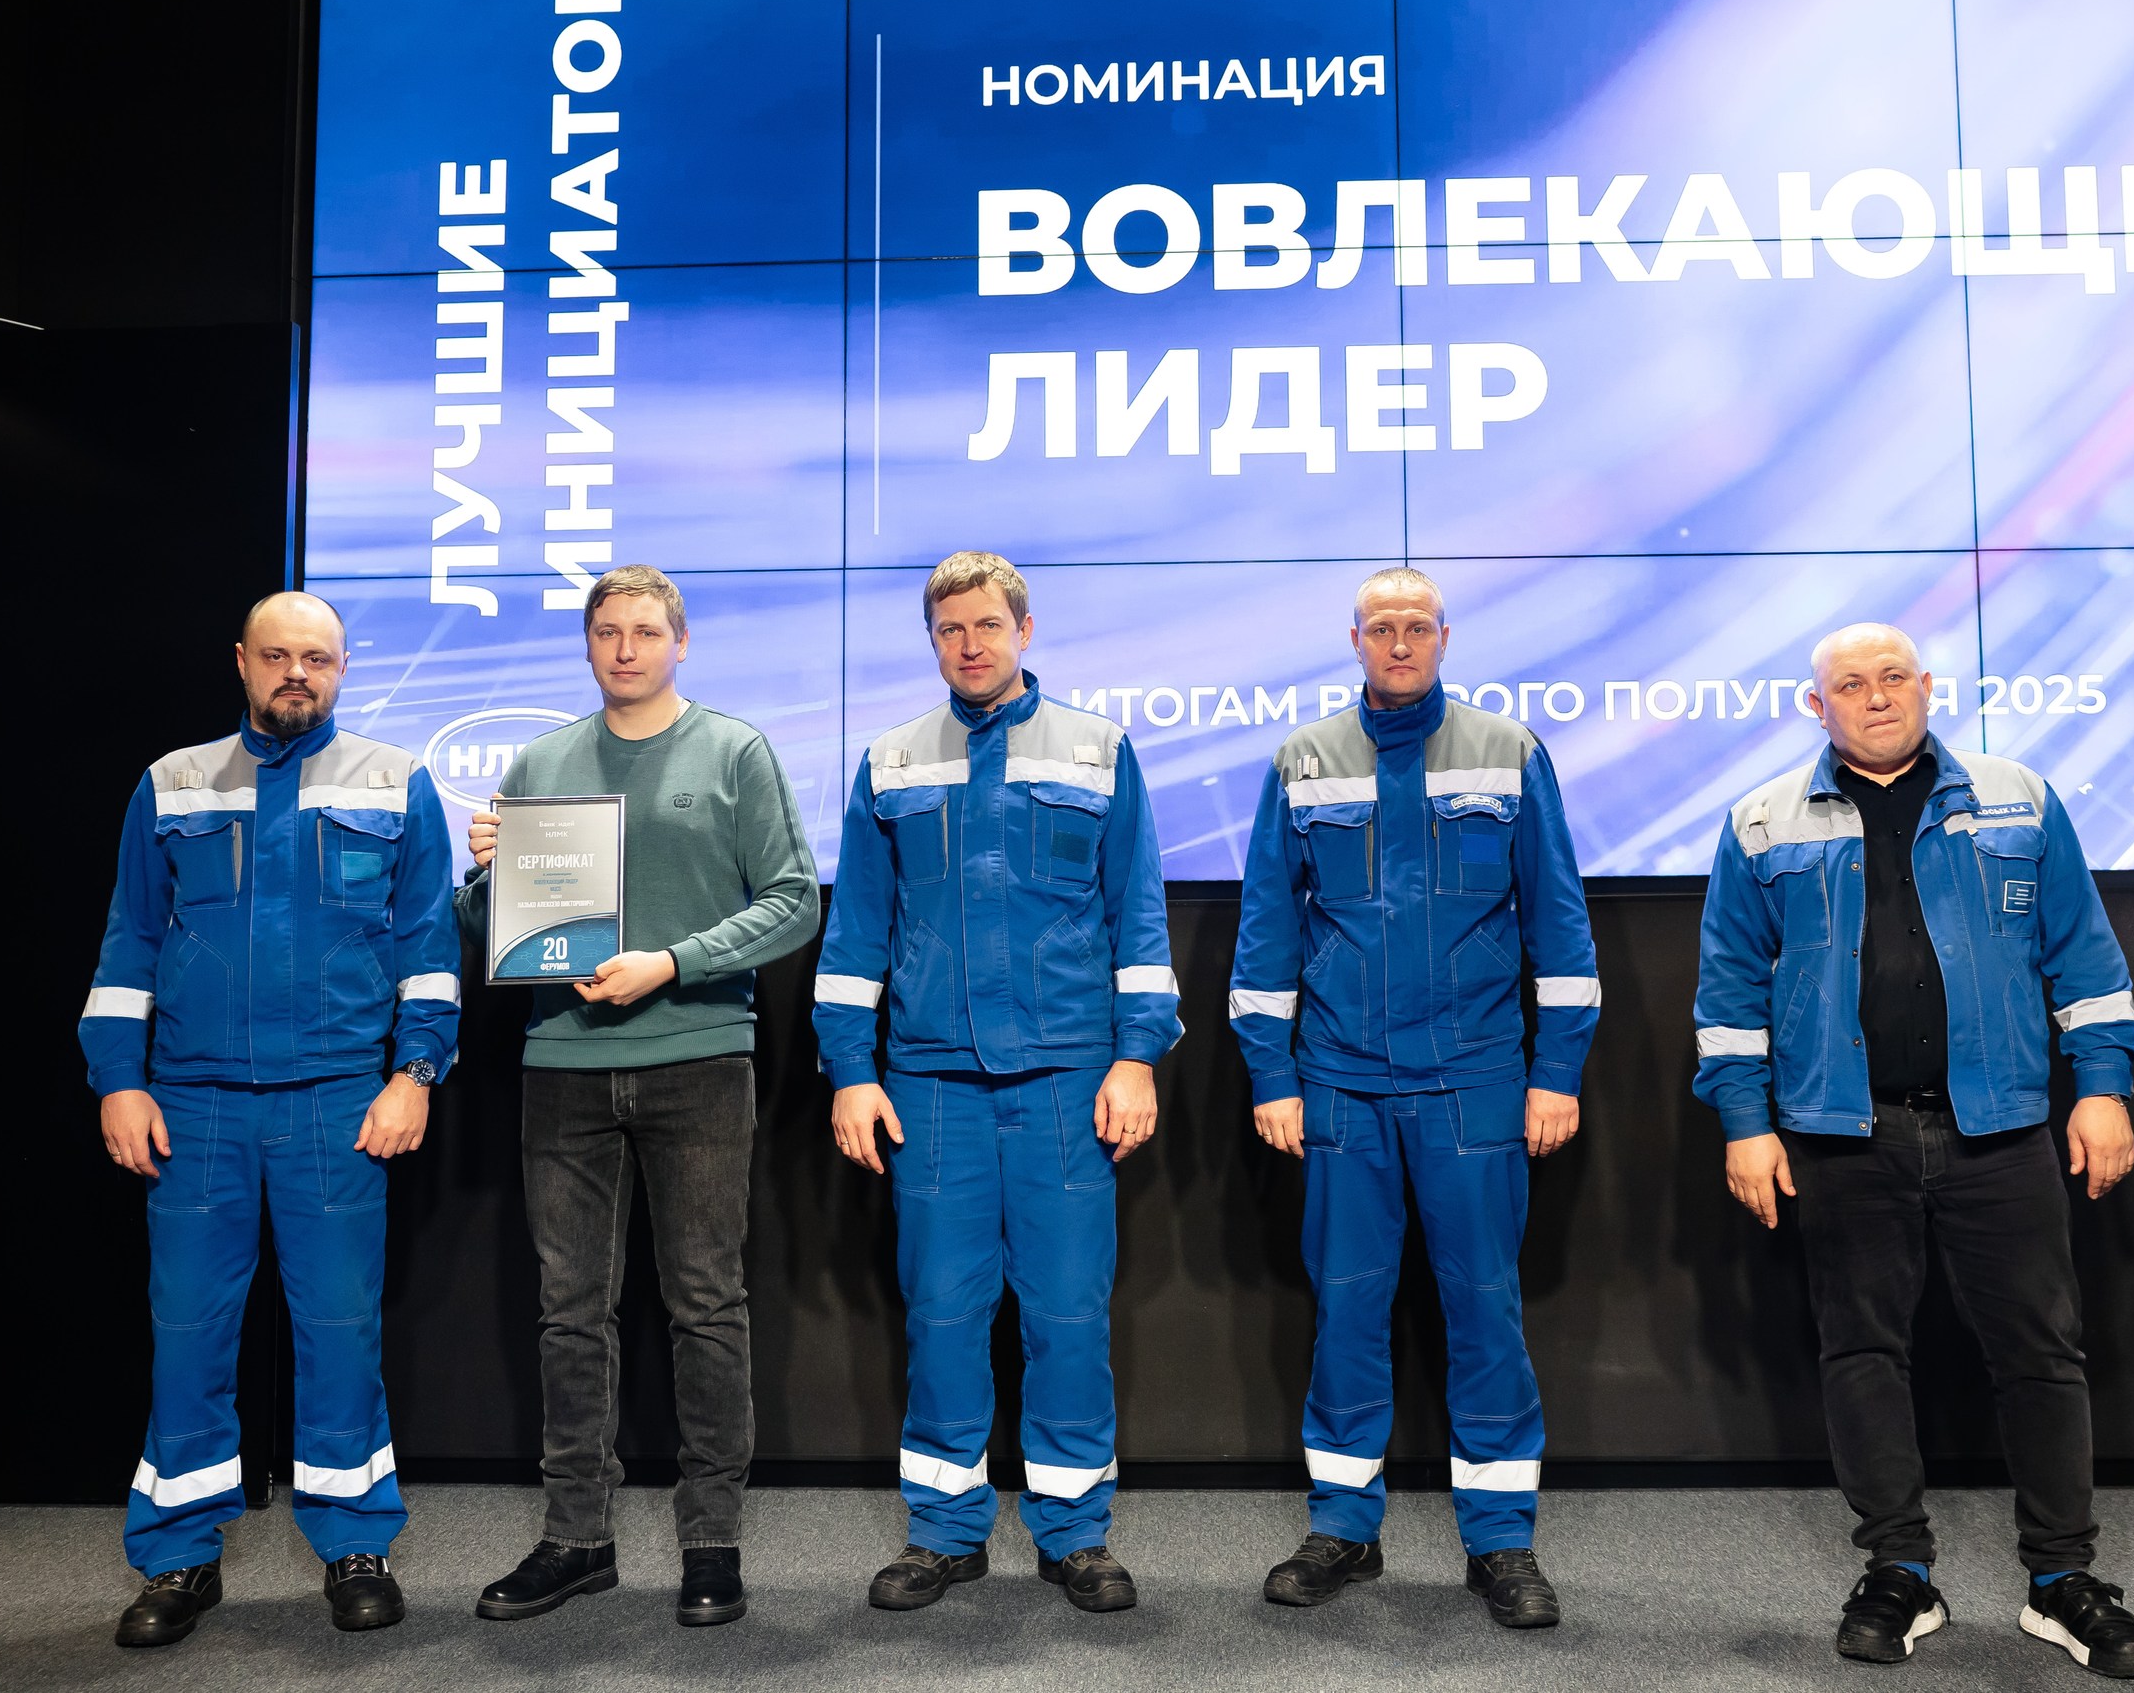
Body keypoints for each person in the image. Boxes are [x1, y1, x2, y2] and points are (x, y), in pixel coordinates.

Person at [1693, 623, 2134, 1678]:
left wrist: (2101, 1088)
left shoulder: (2018, 799)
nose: (1876, 696)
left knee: (2040, 1353)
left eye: (1893, 677)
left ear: (1927, 686)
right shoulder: (1761, 822)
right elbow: (1729, 992)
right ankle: (1899, 1570)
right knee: (1862, 1353)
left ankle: (2060, 1579)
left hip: (1999, 1127)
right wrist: (1744, 1121)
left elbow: (2085, 958)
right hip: (1841, 1131)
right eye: (1851, 684)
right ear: (1816, 706)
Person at [81, 592, 459, 1645]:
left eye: (318, 658)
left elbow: (428, 945)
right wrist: (117, 1080)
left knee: (340, 1331)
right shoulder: (172, 781)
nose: (299, 672)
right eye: (279, 655)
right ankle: (178, 1557)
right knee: (188, 1334)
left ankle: (355, 1543)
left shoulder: (396, 781)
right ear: (242, 661)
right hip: (192, 1104)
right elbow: (129, 940)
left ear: (343, 669)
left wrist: (415, 1073)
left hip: (339, 1102)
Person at [1227, 567, 1598, 1629]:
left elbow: (1559, 925)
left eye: (1417, 627)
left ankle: (1501, 1542)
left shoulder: (1508, 750)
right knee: (1347, 1311)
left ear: (1444, 636)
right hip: (1340, 1084)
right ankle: (1344, 1528)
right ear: (1354, 638)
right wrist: (1272, 1076)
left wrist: (1556, 1072)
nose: (1400, 643)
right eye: (1382, 627)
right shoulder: (1304, 758)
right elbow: (1267, 928)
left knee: (1485, 1311)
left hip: (1475, 1083)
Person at [813, 551, 1181, 1615]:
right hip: (930, 1085)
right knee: (942, 1312)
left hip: (1068, 1079)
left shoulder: (1098, 750)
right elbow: (856, 934)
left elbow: (1138, 916)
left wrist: (1136, 1057)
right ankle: (943, 1532)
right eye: (949, 630)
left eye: (986, 625)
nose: (969, 645)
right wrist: (850, 1071)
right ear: (932, 640)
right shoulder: (891, 761)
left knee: (1066, 1315)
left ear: (1024, 628)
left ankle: (1075, 1533)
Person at [457, 566, 819, 1628]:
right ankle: (576, 1538)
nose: (625, 649)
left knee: (706, 1305)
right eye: (608, 631)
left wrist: (672, 963)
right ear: (587, 644)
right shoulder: (543, 762)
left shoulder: (734, 751)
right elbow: (490, 934)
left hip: (699, 1059)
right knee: (570, 1312)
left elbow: (793, 901)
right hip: (562, 1067)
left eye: (646, 632)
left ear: (681, 642)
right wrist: (486, 877)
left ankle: (712, 1542)